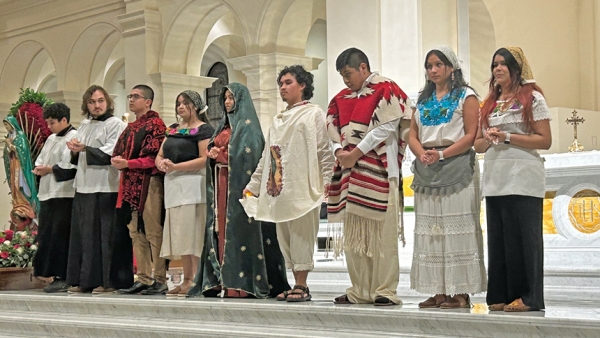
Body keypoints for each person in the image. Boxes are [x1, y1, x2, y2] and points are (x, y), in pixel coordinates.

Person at [242, 65, 334, 302]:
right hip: (278, 188)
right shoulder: (278, 119)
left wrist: (328, 181)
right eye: (280, 83)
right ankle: (295, 283)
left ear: (302, 85)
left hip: (303, 185)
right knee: (285, 238)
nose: (282, 87)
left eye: (288, 82)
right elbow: (267, 156)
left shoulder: (313, 113)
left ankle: (302, 285)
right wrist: (253, 185)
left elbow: (323, 149)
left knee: (302, 234)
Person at [188, 83, 289, 299]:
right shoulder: (222, 126)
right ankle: (221, 281)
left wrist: (223, 156)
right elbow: (212, 151)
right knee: (220, 230)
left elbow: (250, 157)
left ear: (241, 100)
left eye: (231, 98)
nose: (227, 102)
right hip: (220, 186)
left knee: (239, 232)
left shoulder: (249, 127)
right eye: (224, 98)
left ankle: (242, 284)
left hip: (239, 188)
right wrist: (213, 153)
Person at [327, 47, 411, 306]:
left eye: (349, 73)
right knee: (354, 234)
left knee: (382, 234)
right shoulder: (340, 97)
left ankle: (385, 290)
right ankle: (360, 290)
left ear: (363, 67)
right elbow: (331, 128)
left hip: (381, 172)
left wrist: (356, 153)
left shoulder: (386, 89)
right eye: (342, 75)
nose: (346, 80)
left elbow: (387, 126)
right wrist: (340, 151)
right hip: (350, 174)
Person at [408, 46, 487, 309]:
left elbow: (470, 135)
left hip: (456, 164)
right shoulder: (422, 99)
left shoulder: (467, 96)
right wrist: (422, 154)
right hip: (427, 166)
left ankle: (460, 292)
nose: (432, 70)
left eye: (438, 65)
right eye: (429, 66)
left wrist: (441, 155)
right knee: (431, 231)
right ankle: (438, 290)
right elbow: (412, 134)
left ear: (451, 68)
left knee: (457, 230)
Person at [474, 47, 551, 312]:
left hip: (523, 175)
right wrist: (487, 139)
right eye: (494, 64)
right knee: (499, 237)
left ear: (516, 68)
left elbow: (545, 139)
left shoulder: (532, 97)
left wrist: (507, 137)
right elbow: (478, 144)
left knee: (524, 238)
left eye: (503, 64)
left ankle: (529, 297)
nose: (497, 68)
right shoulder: (490, 103)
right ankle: (500, 293)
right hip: (496, 175)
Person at [65, 85, 131, 293]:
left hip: (106, 186)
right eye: (92, 102)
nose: (96, 105)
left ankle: (109, 281)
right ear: (86, 104)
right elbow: (77, 157)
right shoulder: (84, 125)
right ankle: (85, 281)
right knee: (84, 237)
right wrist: (75, 149)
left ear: (107, 102)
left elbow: (110, 154)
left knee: (106, 237)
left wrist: (84, 148)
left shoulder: (116, 124)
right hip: (83, 186)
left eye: (100, 101)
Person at [155, 90, 214, 297]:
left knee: (192, 234)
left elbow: (204, 158)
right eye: (178, 103)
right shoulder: (173, 130)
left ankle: (196, 279)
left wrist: (177, 167)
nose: (180, 107)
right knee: (180, 234)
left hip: (192, 185)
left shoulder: (203, 130)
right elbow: (160, 154)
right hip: (173, 185)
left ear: (196, 106)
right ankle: (186, 278)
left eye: (185, 103)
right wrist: (161, 163)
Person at [112, 85, 168, 296]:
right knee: (135, 232)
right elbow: (117, 151)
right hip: (129, 183)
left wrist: (128, 163)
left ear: (148, 101)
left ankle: (160, 279)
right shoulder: (130, 127)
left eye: (136, 96)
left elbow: (154, 158)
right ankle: (143, 277)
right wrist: (118, 160)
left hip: (149, 182)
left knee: (153, 231)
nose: (131, 100)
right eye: (130, 96)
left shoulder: (156, 124)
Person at [32, 103, 77, 293]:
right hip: (47, 193)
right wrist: (41, 168)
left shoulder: (74, 137)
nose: (49, 126)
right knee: (47, 235)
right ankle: (49, 274)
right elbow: (40, 160)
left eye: (52, 122)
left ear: (64, 120)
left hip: (64, 194)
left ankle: (63, 276)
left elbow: (70, 167)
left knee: (61, 236)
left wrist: (49, 169)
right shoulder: (50, 138)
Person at [3, 116, 39, 231]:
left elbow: (23, 152)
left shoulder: (20, 137)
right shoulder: (9, 136)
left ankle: (25, 207)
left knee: (20, 185)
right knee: (14, 187)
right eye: (5, 125)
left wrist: (11, 145)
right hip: (13, 166)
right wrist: (8, 148)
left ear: (12, 124)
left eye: (7, 125)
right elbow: (7, 154)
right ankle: (18, 204)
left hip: (21, 168)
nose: (6, 127)